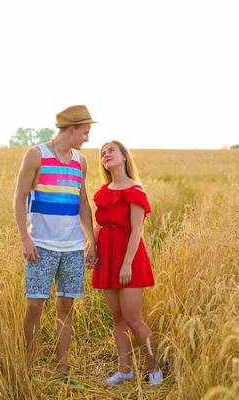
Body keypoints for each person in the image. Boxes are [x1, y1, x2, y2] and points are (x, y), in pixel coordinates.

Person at [13, 105, 98, 385]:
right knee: (34, 306)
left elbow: (83, 202)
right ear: (71, 129)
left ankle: (63, 370)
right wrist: (25, 238)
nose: (87, 138)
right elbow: (19, 197)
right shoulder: (36, 154)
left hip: (72, 247)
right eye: (85, 133)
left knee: (66, 306)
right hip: (40, 245)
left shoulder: (81, 161)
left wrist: (91, 241)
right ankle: (29, 367)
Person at [89, 140, 163, 385]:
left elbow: (136, 231)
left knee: (133, 319)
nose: (106, 155)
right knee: (118, 318)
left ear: (124, 157)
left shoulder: (135, 190)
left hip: (127, 256)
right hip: (107, 256)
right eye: (102, 153)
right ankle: (125, 370)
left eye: (111, 150)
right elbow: (100, 223)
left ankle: (154, 368)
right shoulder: (104, 191)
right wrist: (91, 247)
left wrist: (127, 263)